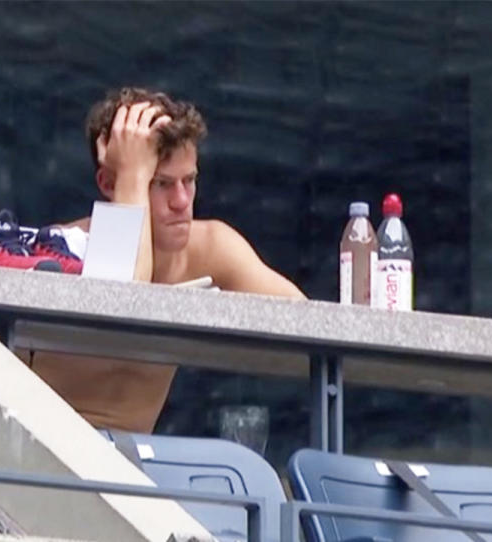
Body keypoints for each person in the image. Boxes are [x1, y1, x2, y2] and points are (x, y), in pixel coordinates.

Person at [26, 87, 305, 433]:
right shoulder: (64, 248)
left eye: (189, 181)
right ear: (108, 184)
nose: (182, 201)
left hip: (139, 465)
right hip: (44, 457)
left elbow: (306, 326)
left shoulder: (211, 248)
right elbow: (123, 305)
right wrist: (131, 175)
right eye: (160, 183)